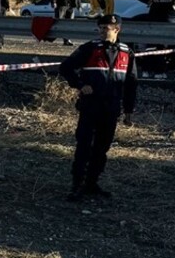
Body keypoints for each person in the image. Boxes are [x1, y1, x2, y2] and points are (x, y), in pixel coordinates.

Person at [59, 14, 138, 201]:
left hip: (111, 107)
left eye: (106, 28)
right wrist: (79, 84)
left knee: (102, 148)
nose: (102, 31)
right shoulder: (90, 48)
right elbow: (66, 67)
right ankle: (77, 185)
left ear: (117, 29)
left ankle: (92, 183)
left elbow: (131, 83)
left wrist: (128, 111)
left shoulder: (127, 52)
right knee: (84, 146)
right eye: (100, 28)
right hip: (90, 105)